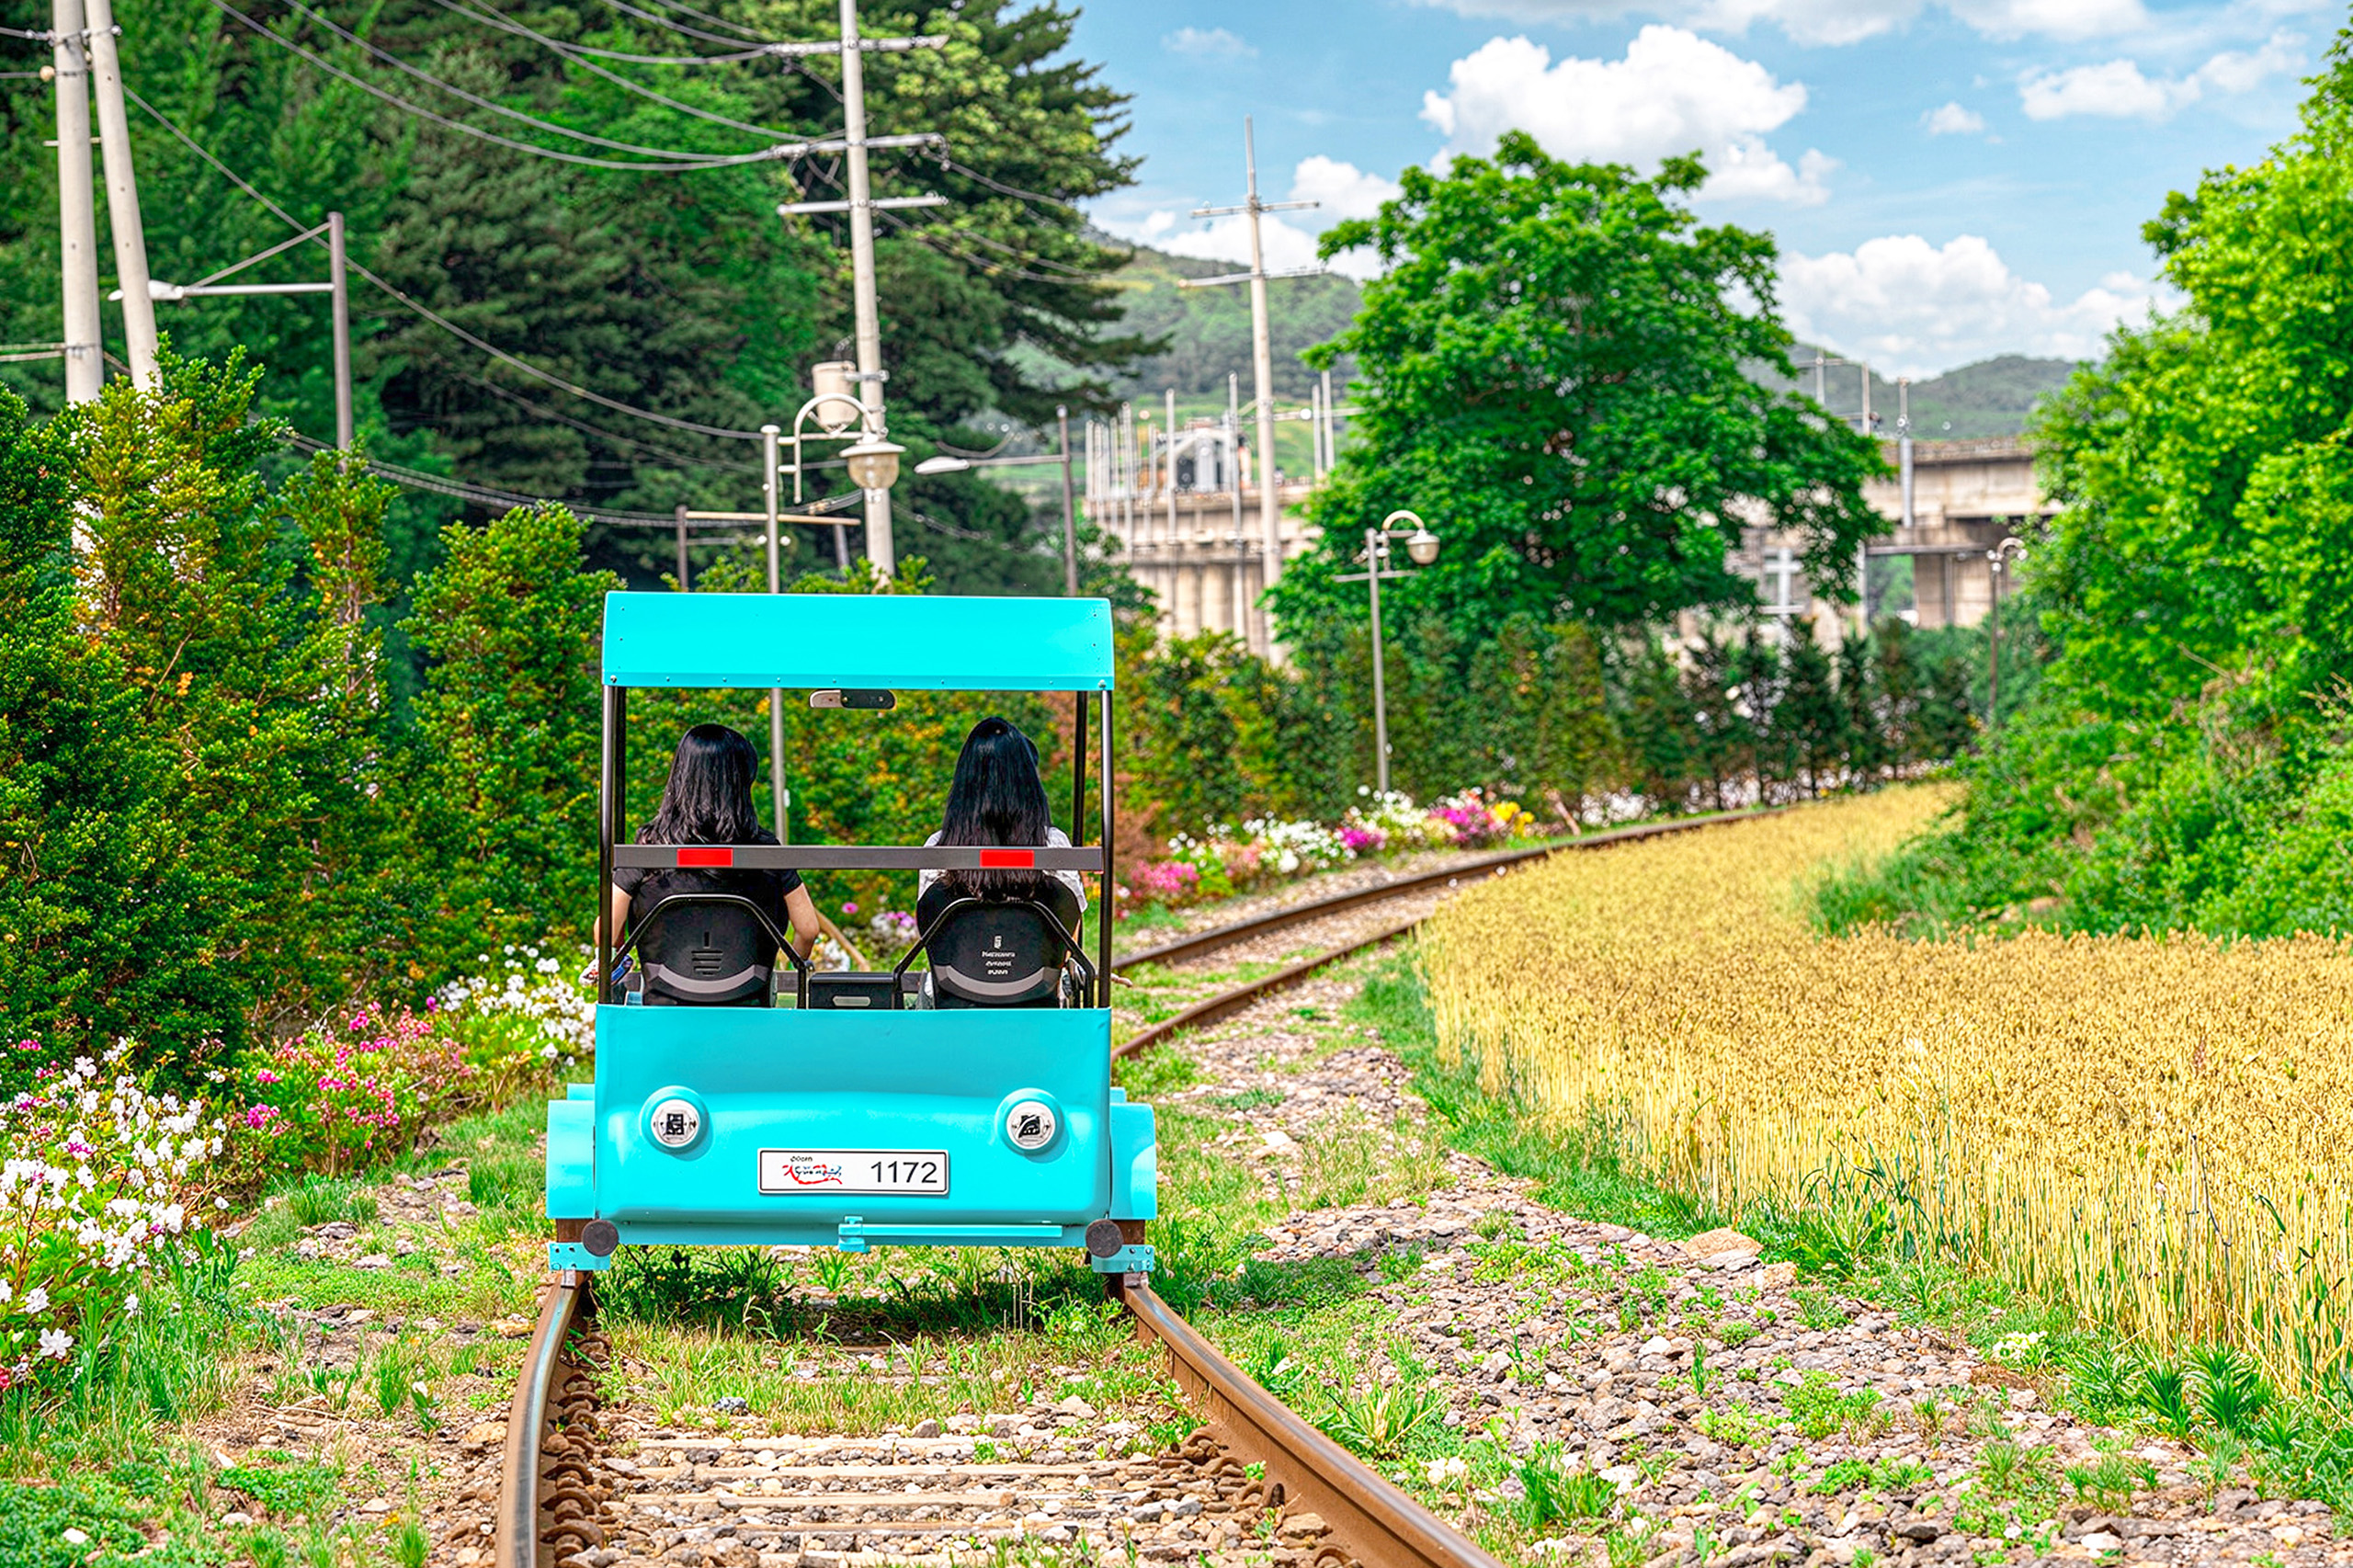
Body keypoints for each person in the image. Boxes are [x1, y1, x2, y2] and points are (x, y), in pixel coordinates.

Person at [605, 723, 820, 1005]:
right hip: (748, 1006)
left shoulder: (651, 847)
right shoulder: (765, 851)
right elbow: (808, 929)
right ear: (742, 781)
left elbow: (605, 930)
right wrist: (790, 965)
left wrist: (624, 949)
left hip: (664, 1006)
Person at [912, 717, 1085, 1006]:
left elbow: (932, 933)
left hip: (955, 1001)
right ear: (1029, 781)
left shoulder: (939, 848)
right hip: (1036, 1002)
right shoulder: (1053, 845)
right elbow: (1070, 934)